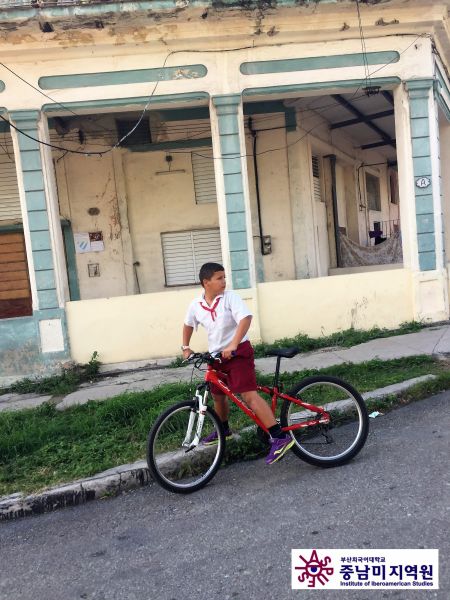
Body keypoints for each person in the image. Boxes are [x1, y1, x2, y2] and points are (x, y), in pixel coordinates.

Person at [182, 262, 295, 465]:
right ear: (206, 282)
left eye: (224, 277)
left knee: (248, 395)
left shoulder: (230, 298)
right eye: (219, 278)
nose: (224, 281)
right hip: (217, 356)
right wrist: (185, 347)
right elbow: (188, 324)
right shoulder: (195, 305)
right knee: (218, 395)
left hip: (238, 353)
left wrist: (233, 344)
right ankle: (223, 430)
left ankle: (279, 437)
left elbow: (245, 318)